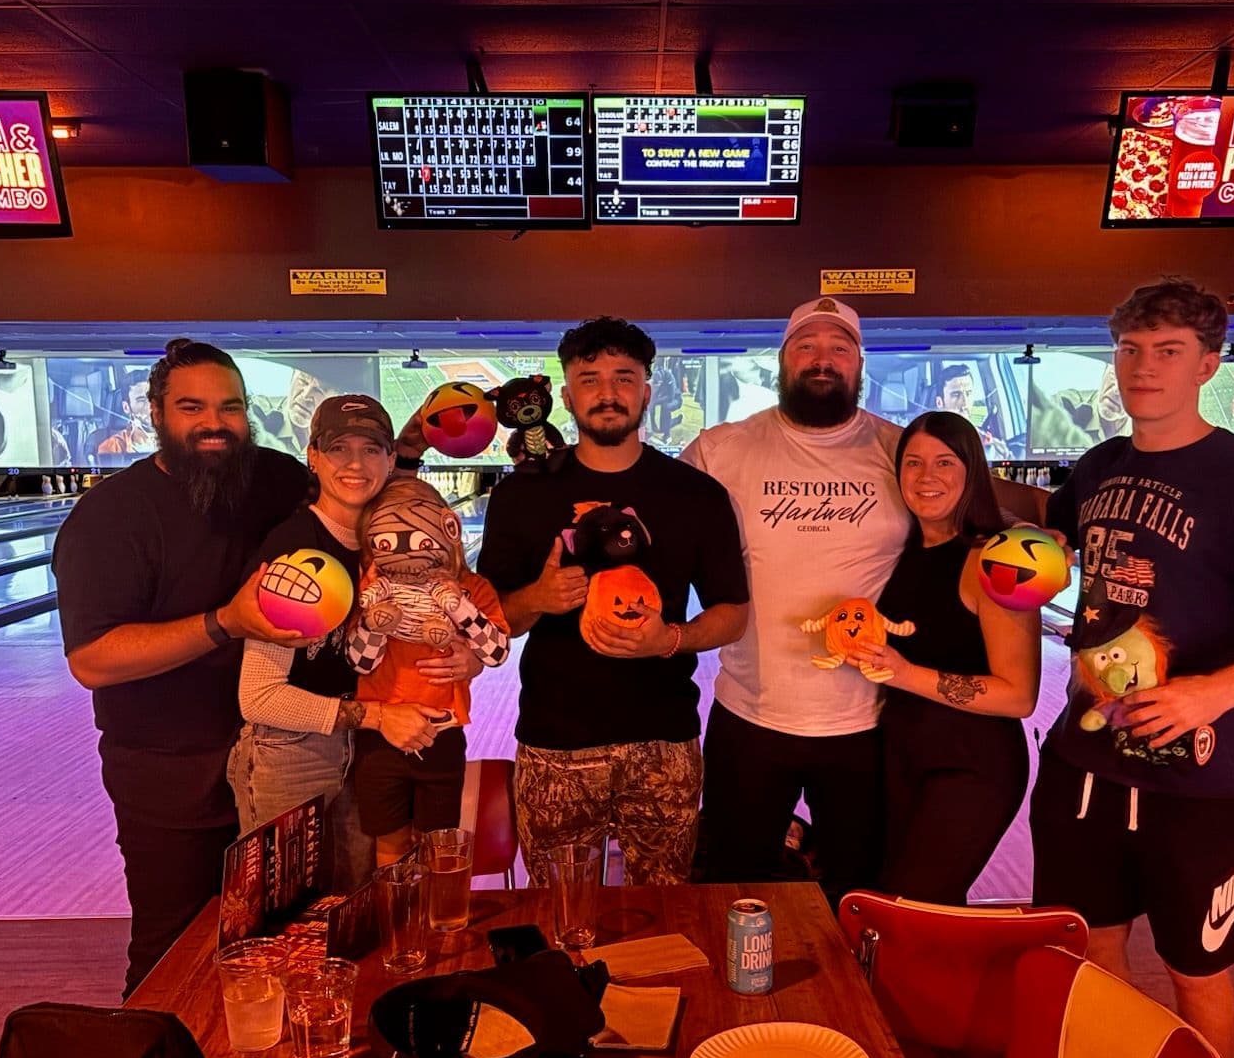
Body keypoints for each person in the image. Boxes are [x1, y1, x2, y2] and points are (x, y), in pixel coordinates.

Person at [1033, 278, 1234, 1058]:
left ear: (1208, 365)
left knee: (1196, 973)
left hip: (1196, 781)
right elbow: (1041, 526)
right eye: (1131, 349)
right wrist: (935, 477)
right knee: (1088, 952)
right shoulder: (1102, 462)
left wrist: (1214, 693)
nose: (1144, 367)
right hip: (1086, 763)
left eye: (1168, 352)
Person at [53, 338, 310, 995]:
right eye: (192, 407)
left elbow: (352, 499)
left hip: (282, 763)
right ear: (157, 412)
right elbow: (92, 660)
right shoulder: (111, 517)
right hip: (172, 777)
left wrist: (410, 448)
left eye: (230, 406)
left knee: (286, 932)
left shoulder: (275, 479)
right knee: (174, 946)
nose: (214, 422)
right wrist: (226, 622)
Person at [478, 317, 748, 886]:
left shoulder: (694, 494)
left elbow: (732, 611)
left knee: (667, 910)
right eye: (590, 378)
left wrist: (670, 640)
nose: (608, 393)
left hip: (664, 741)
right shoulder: (520, 494)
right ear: (568, 392)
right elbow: (492, 617)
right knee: (559, 916)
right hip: (556, 742)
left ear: (647, 390)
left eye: (624, 378)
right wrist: (540, 597)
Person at [681, 298, 915, 905]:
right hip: (751, 717)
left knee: (861, 891)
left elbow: (976, 513)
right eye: (806, 345)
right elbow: (652, 518)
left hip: (867, 722)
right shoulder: (721, 448)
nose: (823, 359)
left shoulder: (901, 452)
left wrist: (1047, 527)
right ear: (782, 360)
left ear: (860, 362)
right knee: (735, 888)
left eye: (839, 347)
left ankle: (856, 999)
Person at [227, 395, 464, 891]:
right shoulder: (295, 550)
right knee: (288, 920)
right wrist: (377, 716)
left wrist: (465, 660)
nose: (356, 464)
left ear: (390, 459)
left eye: (372, 449)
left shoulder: (389, 542)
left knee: (356, 915)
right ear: (313, 456)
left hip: (361, 750)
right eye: (339, 448)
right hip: (289, 753)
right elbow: (259, 697)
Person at [855, 411, 1041, 905]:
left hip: (972, 766)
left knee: (913, 909)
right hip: (903, 755)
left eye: (944, 462)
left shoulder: (996, 559)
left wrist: (903, 672)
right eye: (913, 463)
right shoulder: (907, 547)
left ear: (971, 472)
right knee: (906, 912)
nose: (926, 477)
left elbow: (1019, 695)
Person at [346, 476, 510, 865]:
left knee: (436, 848)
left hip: (443, 732)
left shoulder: (472, 588)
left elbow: (497, 652)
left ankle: (434, 923)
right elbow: (360, 661)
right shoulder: (369, 588)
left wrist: (457, 606)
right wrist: (375, 622)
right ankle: (398, 923)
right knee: (389, 848)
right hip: (380, 737)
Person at [933, 363, 1013, 460]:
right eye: (956, 395)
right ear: (939, 402)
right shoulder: (927, 444)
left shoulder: (993, 446)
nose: (965, 403)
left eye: (968, 393)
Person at [96, 376, 156, 458]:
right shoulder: (112, 448)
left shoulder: (174, 442)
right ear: (126, 407)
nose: (150, 406)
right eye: (142, 400)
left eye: (155, 398)